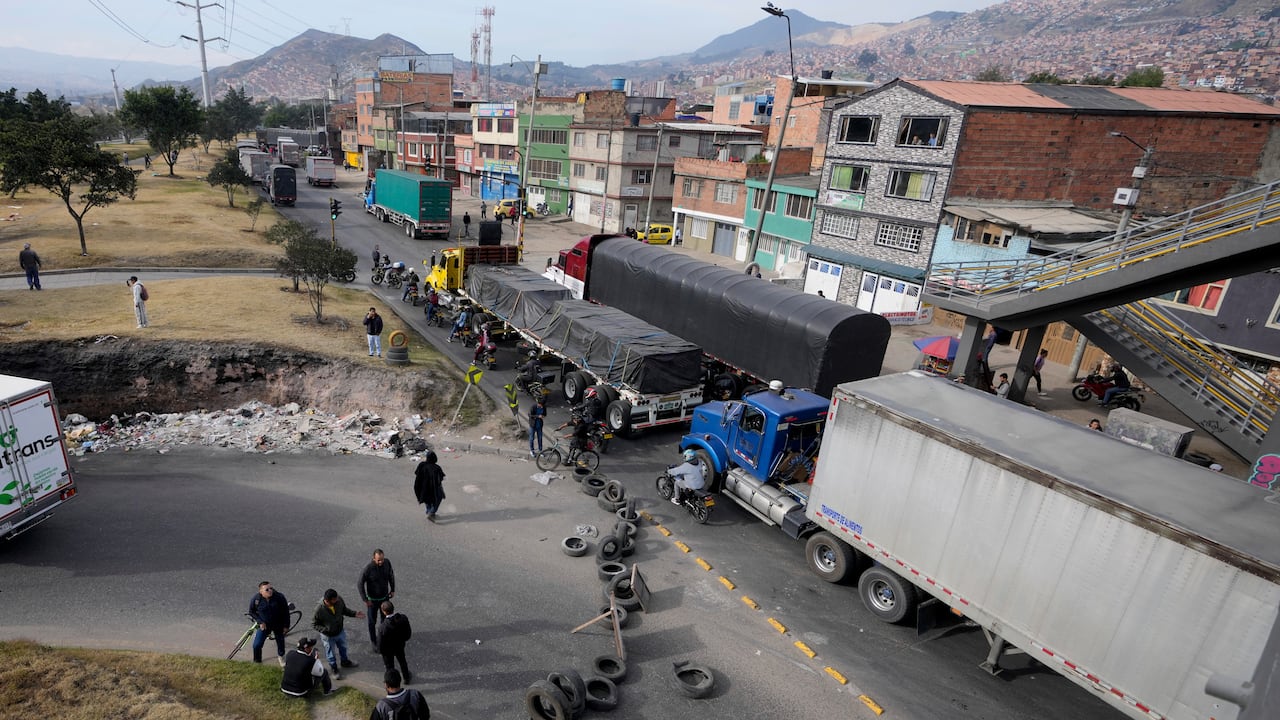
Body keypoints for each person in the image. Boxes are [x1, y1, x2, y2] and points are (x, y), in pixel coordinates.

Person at [312, 588, 363, 679]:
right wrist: (326, 630)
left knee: (343, 648)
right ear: (327, 601)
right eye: (334, 600)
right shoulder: (319, 609)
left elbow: (344, 610)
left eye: (336, 598)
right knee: (330, 653)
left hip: (340, 632)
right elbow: (314, 624)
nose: (337, 600)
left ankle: (345, 662)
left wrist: (354, 614)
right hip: (328, 636)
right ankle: (334, 668)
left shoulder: (338, 600)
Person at [359, 549, 396, 649]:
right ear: (373, 558)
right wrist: (365, 599)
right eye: (378, 560)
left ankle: (383, 638)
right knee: (372, 622)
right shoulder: (368, 568)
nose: (381, 562)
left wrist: (392, 589)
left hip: (384, 598)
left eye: (382, 559)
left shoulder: (387, 563)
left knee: (385, 620)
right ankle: (373, 641)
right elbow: (360, 583)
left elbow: (391, 576)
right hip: (372, 601)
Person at [248, 580, 292, 666]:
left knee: (280, 642)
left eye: (271, 588)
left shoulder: (279, 597)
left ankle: (281, 657)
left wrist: (286, 626)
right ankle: (257, 661)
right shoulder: (256, 599)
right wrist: (260, 622)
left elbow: (286, 612)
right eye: (267, 589)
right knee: (257, 645)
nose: (270, 590)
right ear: (261, 591)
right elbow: (251, 612)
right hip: (265, 625)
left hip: (278, 624)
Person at [375, 601, 413, 682]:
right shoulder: (403, 618)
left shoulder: (383, 627)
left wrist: (380, 651)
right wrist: (404, 639)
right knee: (402, 661)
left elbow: (380, 642)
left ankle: (391, 680)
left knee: (389, 666)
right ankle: (406, 677)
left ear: (383, 611)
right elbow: (408, 633)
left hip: (388, 650)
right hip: (399, 645)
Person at [414, 450, 446, 522]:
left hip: (423, 488)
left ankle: (429, 511)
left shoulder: (421, 465)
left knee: (427, 500)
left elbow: (416, 473)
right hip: (434, 488)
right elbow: (440, 478)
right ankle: (431, 512)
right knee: (438, 499)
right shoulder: (437, 468)